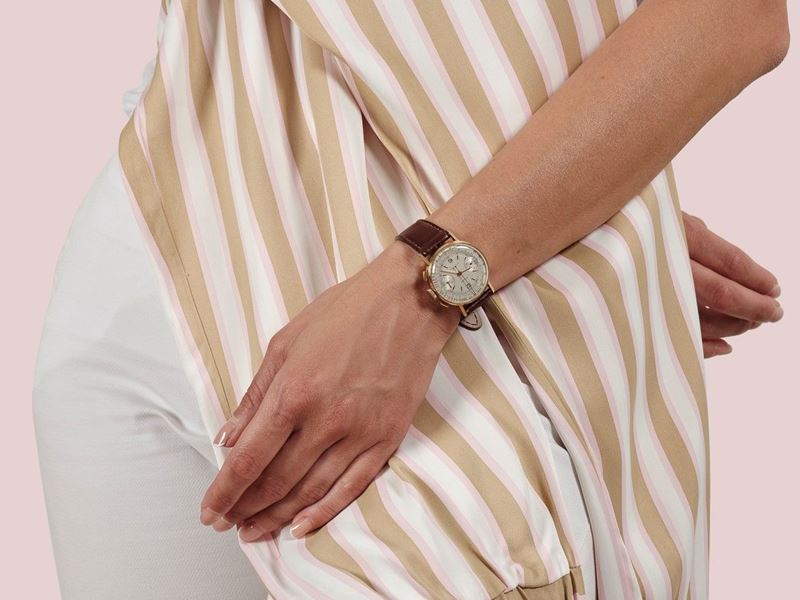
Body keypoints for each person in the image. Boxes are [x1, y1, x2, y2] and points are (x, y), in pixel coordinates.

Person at [32, 1, 789, 598]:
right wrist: (556, 207)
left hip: (434, 355)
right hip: (149, 267)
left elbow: (737, 14)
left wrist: (439, 274)